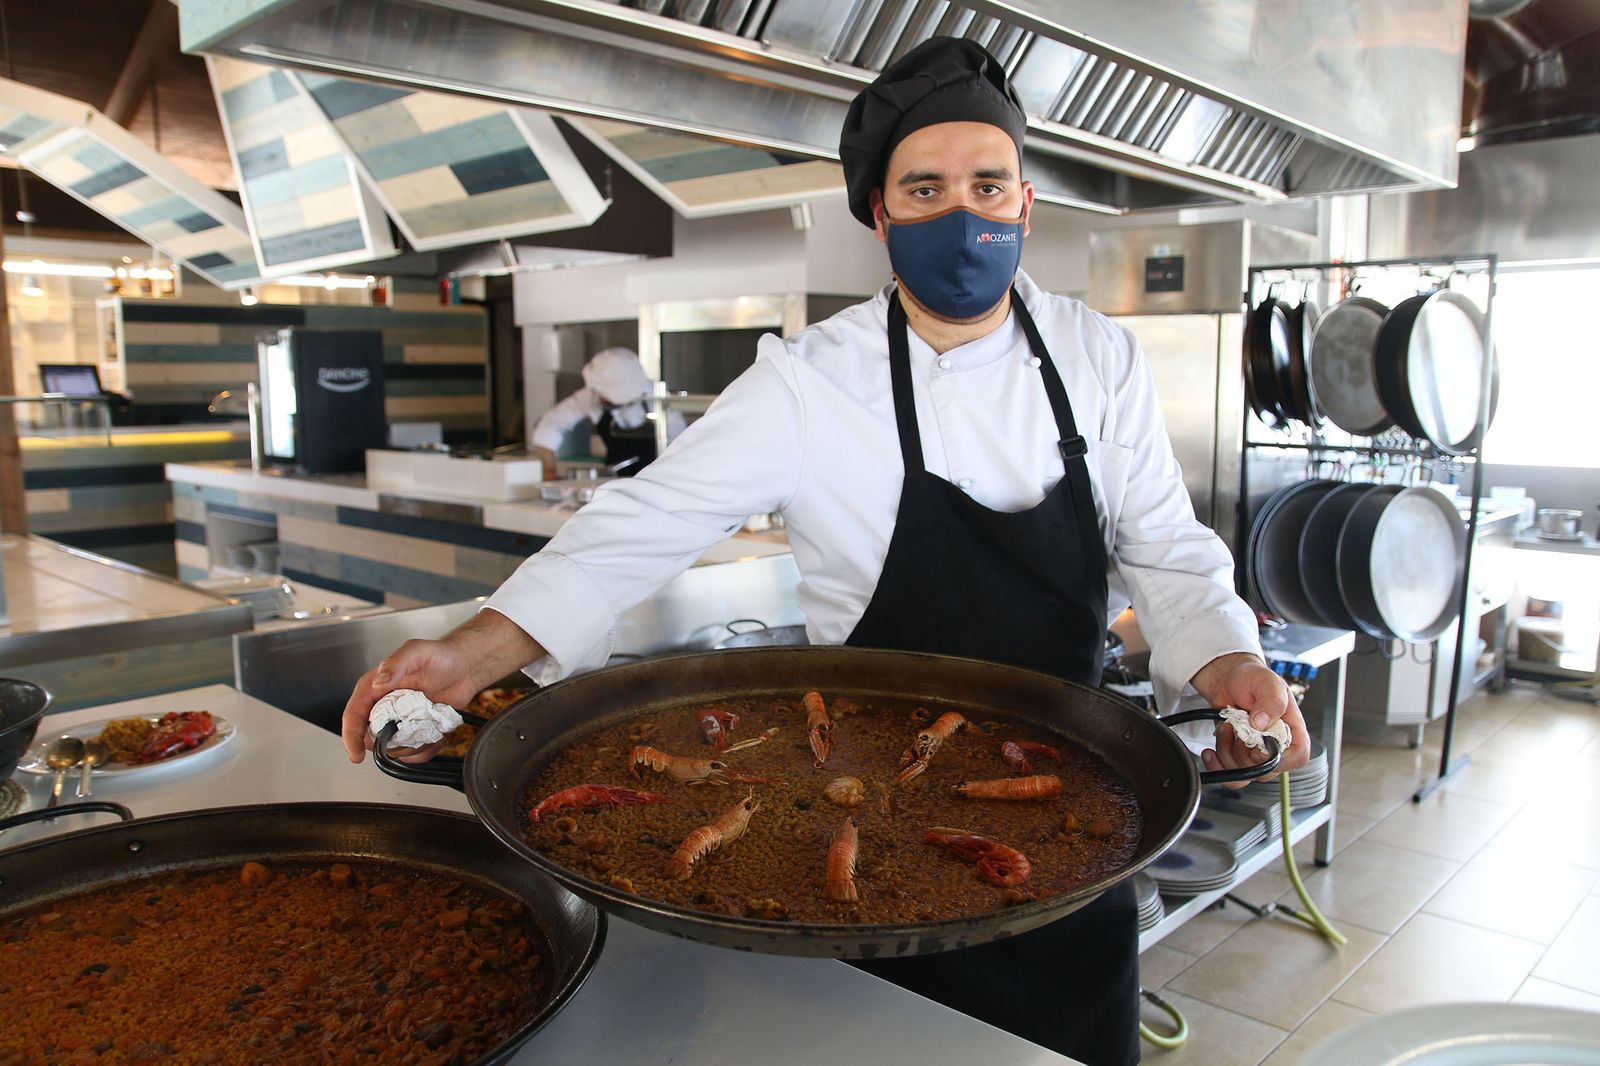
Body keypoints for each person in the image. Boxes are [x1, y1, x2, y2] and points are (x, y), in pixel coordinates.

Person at [343, 36, 1309, 1066]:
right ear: (880, 214)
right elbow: (647, 520)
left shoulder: (1097, 356)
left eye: (988, 184)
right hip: (862, 808)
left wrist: (1228, 661)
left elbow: (1162, 545)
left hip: (1066, 802)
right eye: (925, 189)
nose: (964, 214)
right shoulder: (810, 381)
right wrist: (471, 653)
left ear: (1026, 202)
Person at [527, 346, 685, 476]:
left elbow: (680, 448)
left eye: (605, 395)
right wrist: (548, 468)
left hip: (656, 480)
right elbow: (553, 421)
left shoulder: (656, 398)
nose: (599, 399)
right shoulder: (593, 395)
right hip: (613, 481)